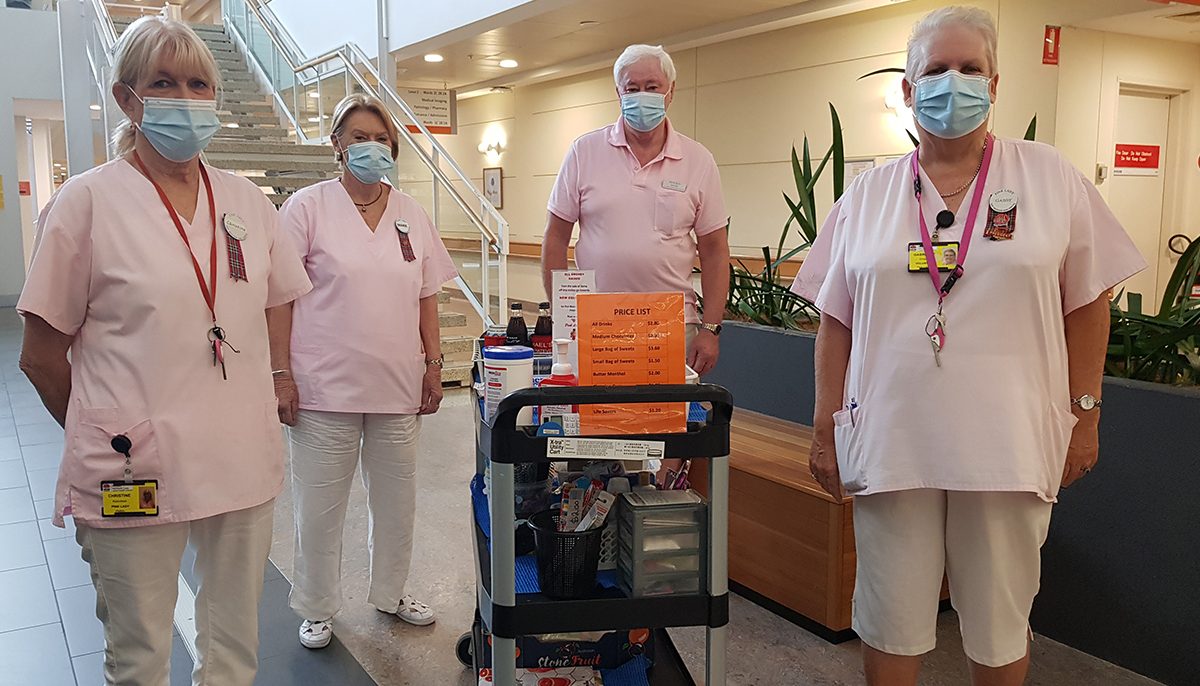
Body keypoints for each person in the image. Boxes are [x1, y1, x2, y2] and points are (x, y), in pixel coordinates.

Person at [792, 7, 1146, 686]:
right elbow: (834, 318)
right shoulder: (868, 194)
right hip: (894, 437)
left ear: (995, 82)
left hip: (1007, 442)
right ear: (906, 88)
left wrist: (1087, 413)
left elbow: (1090, 299)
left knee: (997, 617)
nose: (951, 83)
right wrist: (822, 428)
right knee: (890, 613)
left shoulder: (1049, 177)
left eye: (969, 69)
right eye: (934, 70)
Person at [16, 17, 311, 686]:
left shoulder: (246, 201)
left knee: (234, 650)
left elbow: (278, 296)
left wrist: (278, 372)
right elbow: (39, 355)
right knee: (140, 655)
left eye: (198, 84)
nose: (185, 97)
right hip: (132, 471)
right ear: (127, 98)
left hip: (238, 457)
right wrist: (104, 432)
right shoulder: (85, 203)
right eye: (163, 83)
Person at [279, 93, 459, 650]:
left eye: (380, 139)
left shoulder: (411, 212)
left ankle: (390, 591)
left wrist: (434, 365)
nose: (371, 148)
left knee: (396, 502)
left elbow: (427, 296)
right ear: (337, 144)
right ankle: (316, 605)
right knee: (320, 507)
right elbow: (278, 298)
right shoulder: (306, 209)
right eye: (359, 137)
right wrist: (279, 373)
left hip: (396, 384)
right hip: (323, 387)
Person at [542, 44, 730, 375]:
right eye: (632, 88)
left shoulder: (698, 160)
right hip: (596, 325)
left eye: (652, 87)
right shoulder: (584, 152)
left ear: (671, 91)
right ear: (618, 92)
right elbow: (556, 237)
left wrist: (711, 328)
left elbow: (715, 251)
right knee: (597, 423)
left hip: (671, 324)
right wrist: (563, 315)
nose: (642, 96)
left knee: (666, 422)